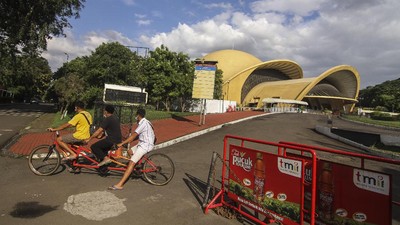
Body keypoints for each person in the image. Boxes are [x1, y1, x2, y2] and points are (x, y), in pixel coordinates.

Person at [109, 108, 155, 190]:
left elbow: (133, 135)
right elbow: (137, 136)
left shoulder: (143, 123)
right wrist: (127, 142)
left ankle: (120, 184)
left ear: (138, 115)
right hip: (143, 143)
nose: (135, 117)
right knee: (130, 151)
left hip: (145, 145)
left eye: (136, 115)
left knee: (131, 163)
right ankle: (137, 167)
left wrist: (121, 144)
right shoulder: (146, 122)